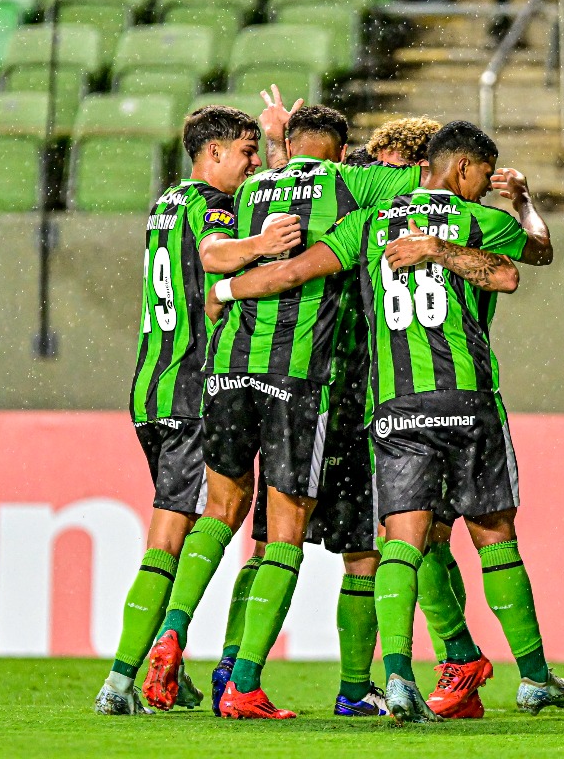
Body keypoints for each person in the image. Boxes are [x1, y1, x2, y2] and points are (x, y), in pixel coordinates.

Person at [206, 121, 564, 724]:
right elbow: (524, 261)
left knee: (402, 543)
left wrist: (229, 288)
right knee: (492, 537)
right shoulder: (480, 221)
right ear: (461, 169)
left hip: (390, 408)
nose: (485, 184)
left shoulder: (369, 222)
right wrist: (508, 212)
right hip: (468, 400)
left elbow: (296, 270)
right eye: (484, 173)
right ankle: (530, 676)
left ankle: (400, 677)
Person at [142, 104, 424, 720]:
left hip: (228, 373)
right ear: (346, 151)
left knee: (226, 515)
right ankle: (279, 684)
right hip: (322, 388)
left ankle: (177, 633)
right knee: (318, 543)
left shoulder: (245, 192)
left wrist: (224, 289)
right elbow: (424, 185)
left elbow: (233, 242)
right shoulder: (356, 190)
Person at [95, 105, 303, 715]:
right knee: (174, 533)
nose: (251, 164)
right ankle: (120, 679)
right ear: (212, 153)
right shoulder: (212, 206)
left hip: (149, 389)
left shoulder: (167, 201)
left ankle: (167, 670)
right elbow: (214, 255)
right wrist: (263, 244)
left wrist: (276, 143)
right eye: (244, 152)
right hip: (190, 389)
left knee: (188, 521)